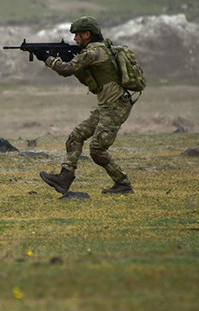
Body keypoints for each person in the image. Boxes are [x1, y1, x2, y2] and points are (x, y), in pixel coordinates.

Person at [35, 16, 135, 195]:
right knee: (76, 137)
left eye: (77, 36)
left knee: (97, 150)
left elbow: (66, 70)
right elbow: (86, 76)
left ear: (87, 34)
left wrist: (47, 58)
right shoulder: (98, 49)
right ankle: (64, 178)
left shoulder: (94, 52)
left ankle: (123, 183)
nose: (75, 39)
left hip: (116, 106)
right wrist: (68, 58)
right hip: (108, 106)